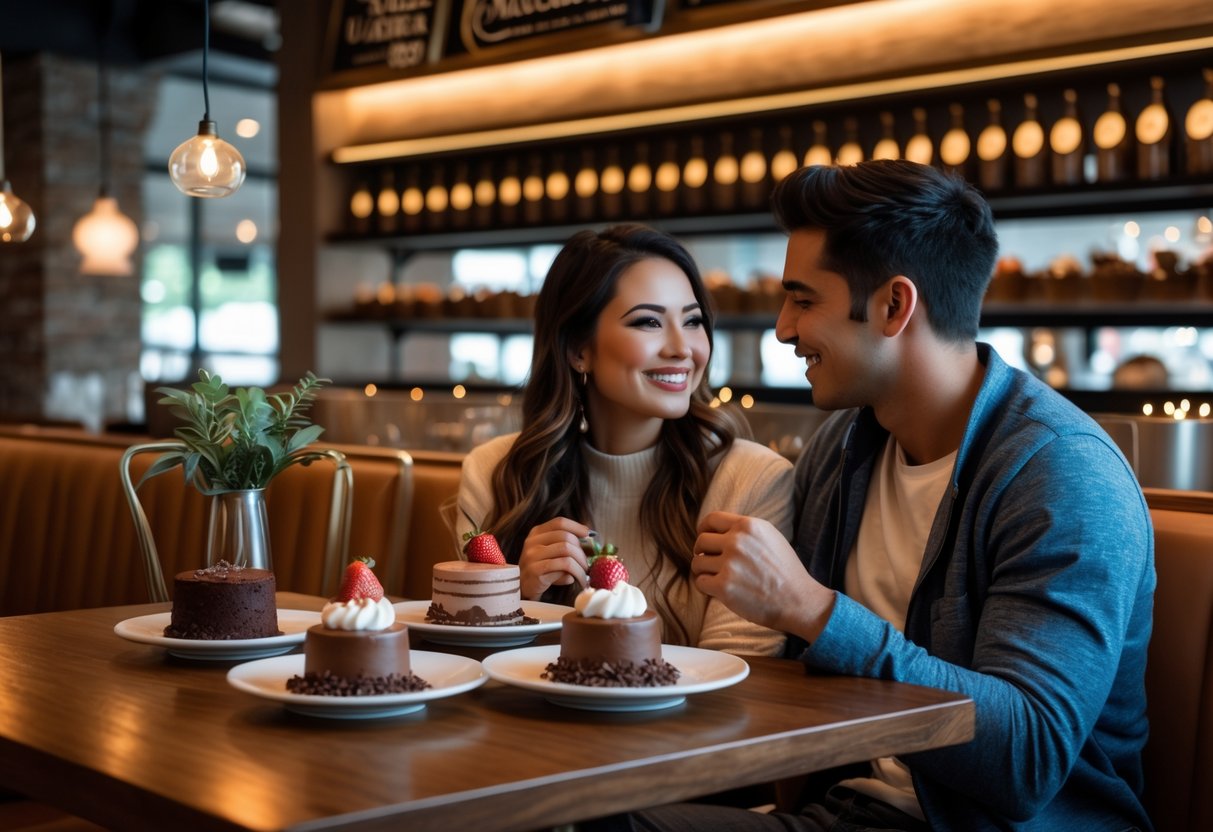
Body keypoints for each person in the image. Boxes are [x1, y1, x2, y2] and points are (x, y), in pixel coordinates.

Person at [626, 160, 1156, 830]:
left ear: (893, 306)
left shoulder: (1059, 475)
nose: (783, 329)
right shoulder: (842, 448)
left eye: (803, 300)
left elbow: (1027, 757)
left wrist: (814, 611)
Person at [457, 223, 793, 656]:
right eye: (649, 322)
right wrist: (516, 596)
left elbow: (737, 674)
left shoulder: (752, 480)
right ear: (580, 350)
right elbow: (464, 660)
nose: (682, 348)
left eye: (693, 321)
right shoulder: (496, 472)